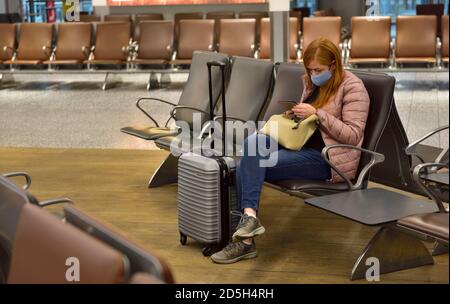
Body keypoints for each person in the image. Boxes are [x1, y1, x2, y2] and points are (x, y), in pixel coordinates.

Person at [211, 38, 370, 264]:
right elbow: (310, 124)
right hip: (299, 145)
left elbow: (353, 136)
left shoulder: (353, 88)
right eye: (310, 69)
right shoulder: (313, 83)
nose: (313, 74)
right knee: (252, 144)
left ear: (334, 65)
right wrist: (296, 114)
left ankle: (244, 242)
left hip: (328, 159)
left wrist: (316, 113)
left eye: (318, 69)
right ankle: (249, 219)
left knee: (249, 163)